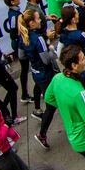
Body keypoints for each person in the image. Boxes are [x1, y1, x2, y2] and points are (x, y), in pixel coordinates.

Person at [19, 8, 59, 148]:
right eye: (37, 18)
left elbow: (22, 56)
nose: (40, 20)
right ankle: (42, 134)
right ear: (31, 23)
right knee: (53, 104)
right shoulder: (38, 38)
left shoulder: (23, 37)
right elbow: (47, 60)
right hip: (46, 75)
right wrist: (52, 49)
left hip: (36, 74)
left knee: (54, 102)